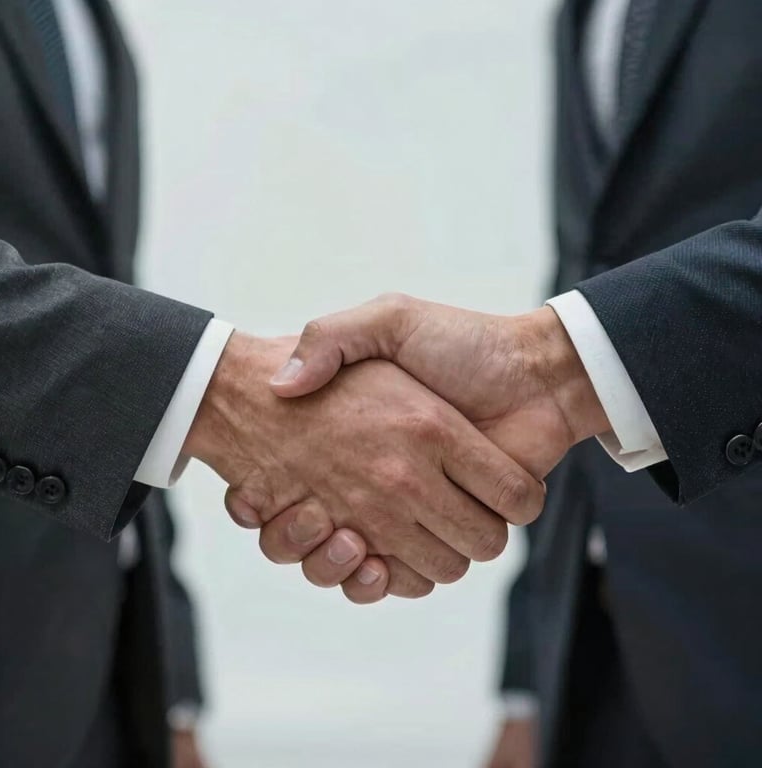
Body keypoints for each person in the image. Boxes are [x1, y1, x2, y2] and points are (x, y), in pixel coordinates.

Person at [0, 1, 545, 765]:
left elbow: (102, 312)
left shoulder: (83, 24)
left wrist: (166, 684)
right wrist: (214, 387)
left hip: (91, 675)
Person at [264, 3, 762, 767]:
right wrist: (529, 680)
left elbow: (585, 345)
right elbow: (590, 280)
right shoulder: (585, 16)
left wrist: (551, 365)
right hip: (609, 646)